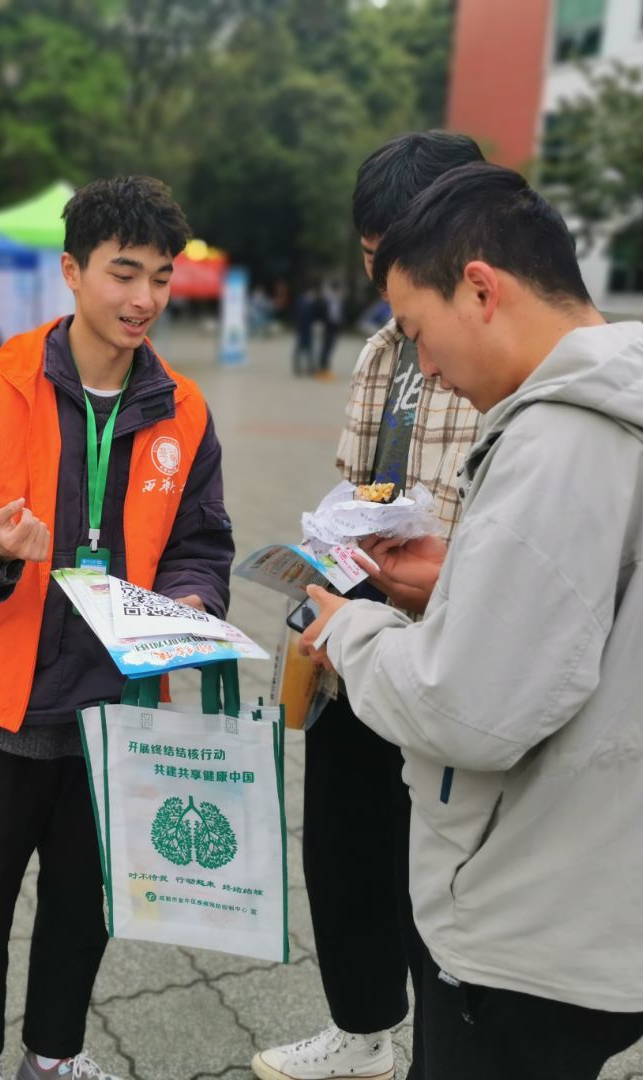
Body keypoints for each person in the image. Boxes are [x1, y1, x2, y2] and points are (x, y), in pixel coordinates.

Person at [300, 163, 643, 1080]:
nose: (425, 367)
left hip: (530, 930)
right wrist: (465, 580)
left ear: (481, 289)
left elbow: (462, 708)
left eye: (419, 331)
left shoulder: (558, 443)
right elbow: (620, 624)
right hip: (629, 897)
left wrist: (346, 633)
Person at [0, 175, 234, 1080]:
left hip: (115, 710)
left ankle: (54, 1055)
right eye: (124, 273)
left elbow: (202, 541)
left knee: (85, 904)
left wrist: (193, 601)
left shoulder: (184, 410)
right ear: (73, 272)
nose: (144, 298)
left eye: (161, 277)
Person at [252, 130, 485, 1080]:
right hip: (359, 640)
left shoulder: (509, 355)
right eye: (370, 256)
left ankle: (443, 1054)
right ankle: (361, 1037)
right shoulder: (383, 351)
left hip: (453, 658)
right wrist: (324, 563)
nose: (382, 280)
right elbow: (355, 483)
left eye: (395, 256)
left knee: (432, 878)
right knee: (343, 852)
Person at [316, 280, 345, 377]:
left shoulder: (339, 300)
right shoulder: (327, 300)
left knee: (331, 346)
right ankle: (322, 366)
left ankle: (325, 366)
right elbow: (321, 312)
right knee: (326, 346)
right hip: (328, 325)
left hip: (335, 325)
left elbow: (340, 313)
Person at [291, 283, 319, 377]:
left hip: (306, 330)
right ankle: (300, 368)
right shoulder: (303, 302)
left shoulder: (309, 303)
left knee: (307, 350)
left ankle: (308, 368)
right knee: (301, 350)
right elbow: (300, 317)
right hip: (303, 330)